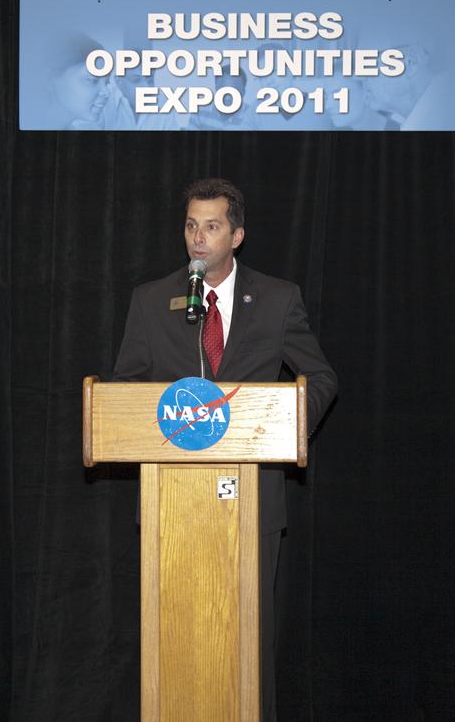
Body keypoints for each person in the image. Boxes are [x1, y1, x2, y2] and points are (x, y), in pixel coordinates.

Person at [112, 177, 338, 720]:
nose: (198, 238)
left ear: (236, 235)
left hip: (253, 501)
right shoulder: (151, 301)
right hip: (172, 504)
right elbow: (125, 391)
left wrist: (284, 426)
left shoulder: (279, 299)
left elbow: (322, 377)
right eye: (191, 226)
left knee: (245, 644)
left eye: (211, 227)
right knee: (176, 635)